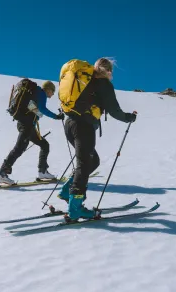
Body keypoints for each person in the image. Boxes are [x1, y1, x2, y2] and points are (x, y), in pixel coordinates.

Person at [57, 58, 136, 220]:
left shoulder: (86, 80)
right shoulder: (103, 83)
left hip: (70, 124)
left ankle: (67, 191)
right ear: (108, 71)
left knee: (92, 161)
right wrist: (129, 117)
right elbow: (114, 110)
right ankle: (75, 209)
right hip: (84, 126)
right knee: (85, 164)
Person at [0, 80, 64, 185]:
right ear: (48, 89)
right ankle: (2, 174)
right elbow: (42, 109)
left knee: (44, 144)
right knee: (19, 148)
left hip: (26, 124)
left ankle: (42, 171)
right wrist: (56, 116)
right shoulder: (41, 93)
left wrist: (37, 114)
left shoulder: (34, 94)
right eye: (52, 92)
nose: (52, 94)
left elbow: (37, 110)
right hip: (26, 125)